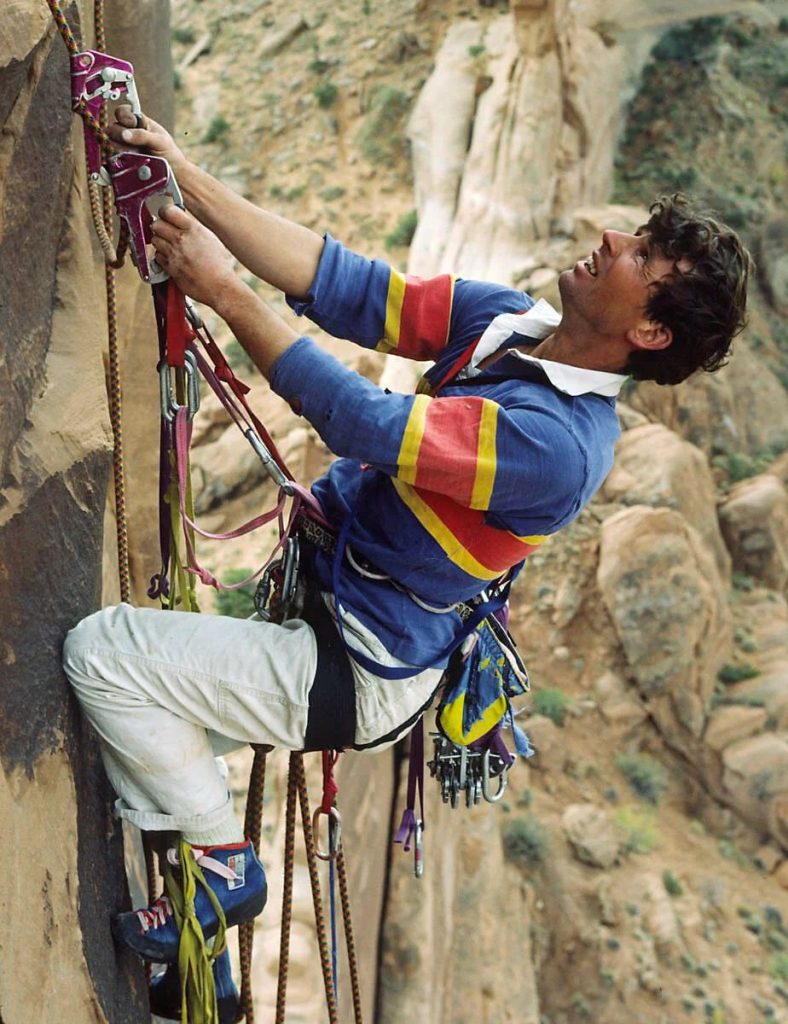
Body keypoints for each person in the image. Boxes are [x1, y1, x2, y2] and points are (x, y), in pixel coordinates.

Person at [62, 107, 751, 966]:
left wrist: (226, 292)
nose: (612, 239)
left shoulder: (558, 445)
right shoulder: (512, 326)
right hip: (331, 614)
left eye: (642, 256)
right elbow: (345, 284)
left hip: (355, 663)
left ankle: (220, 864)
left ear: (649, 332)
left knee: (106, 655)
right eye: (637, 234)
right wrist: (187, 179)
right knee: (163, 724)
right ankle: (199, 976)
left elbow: (365, 422)